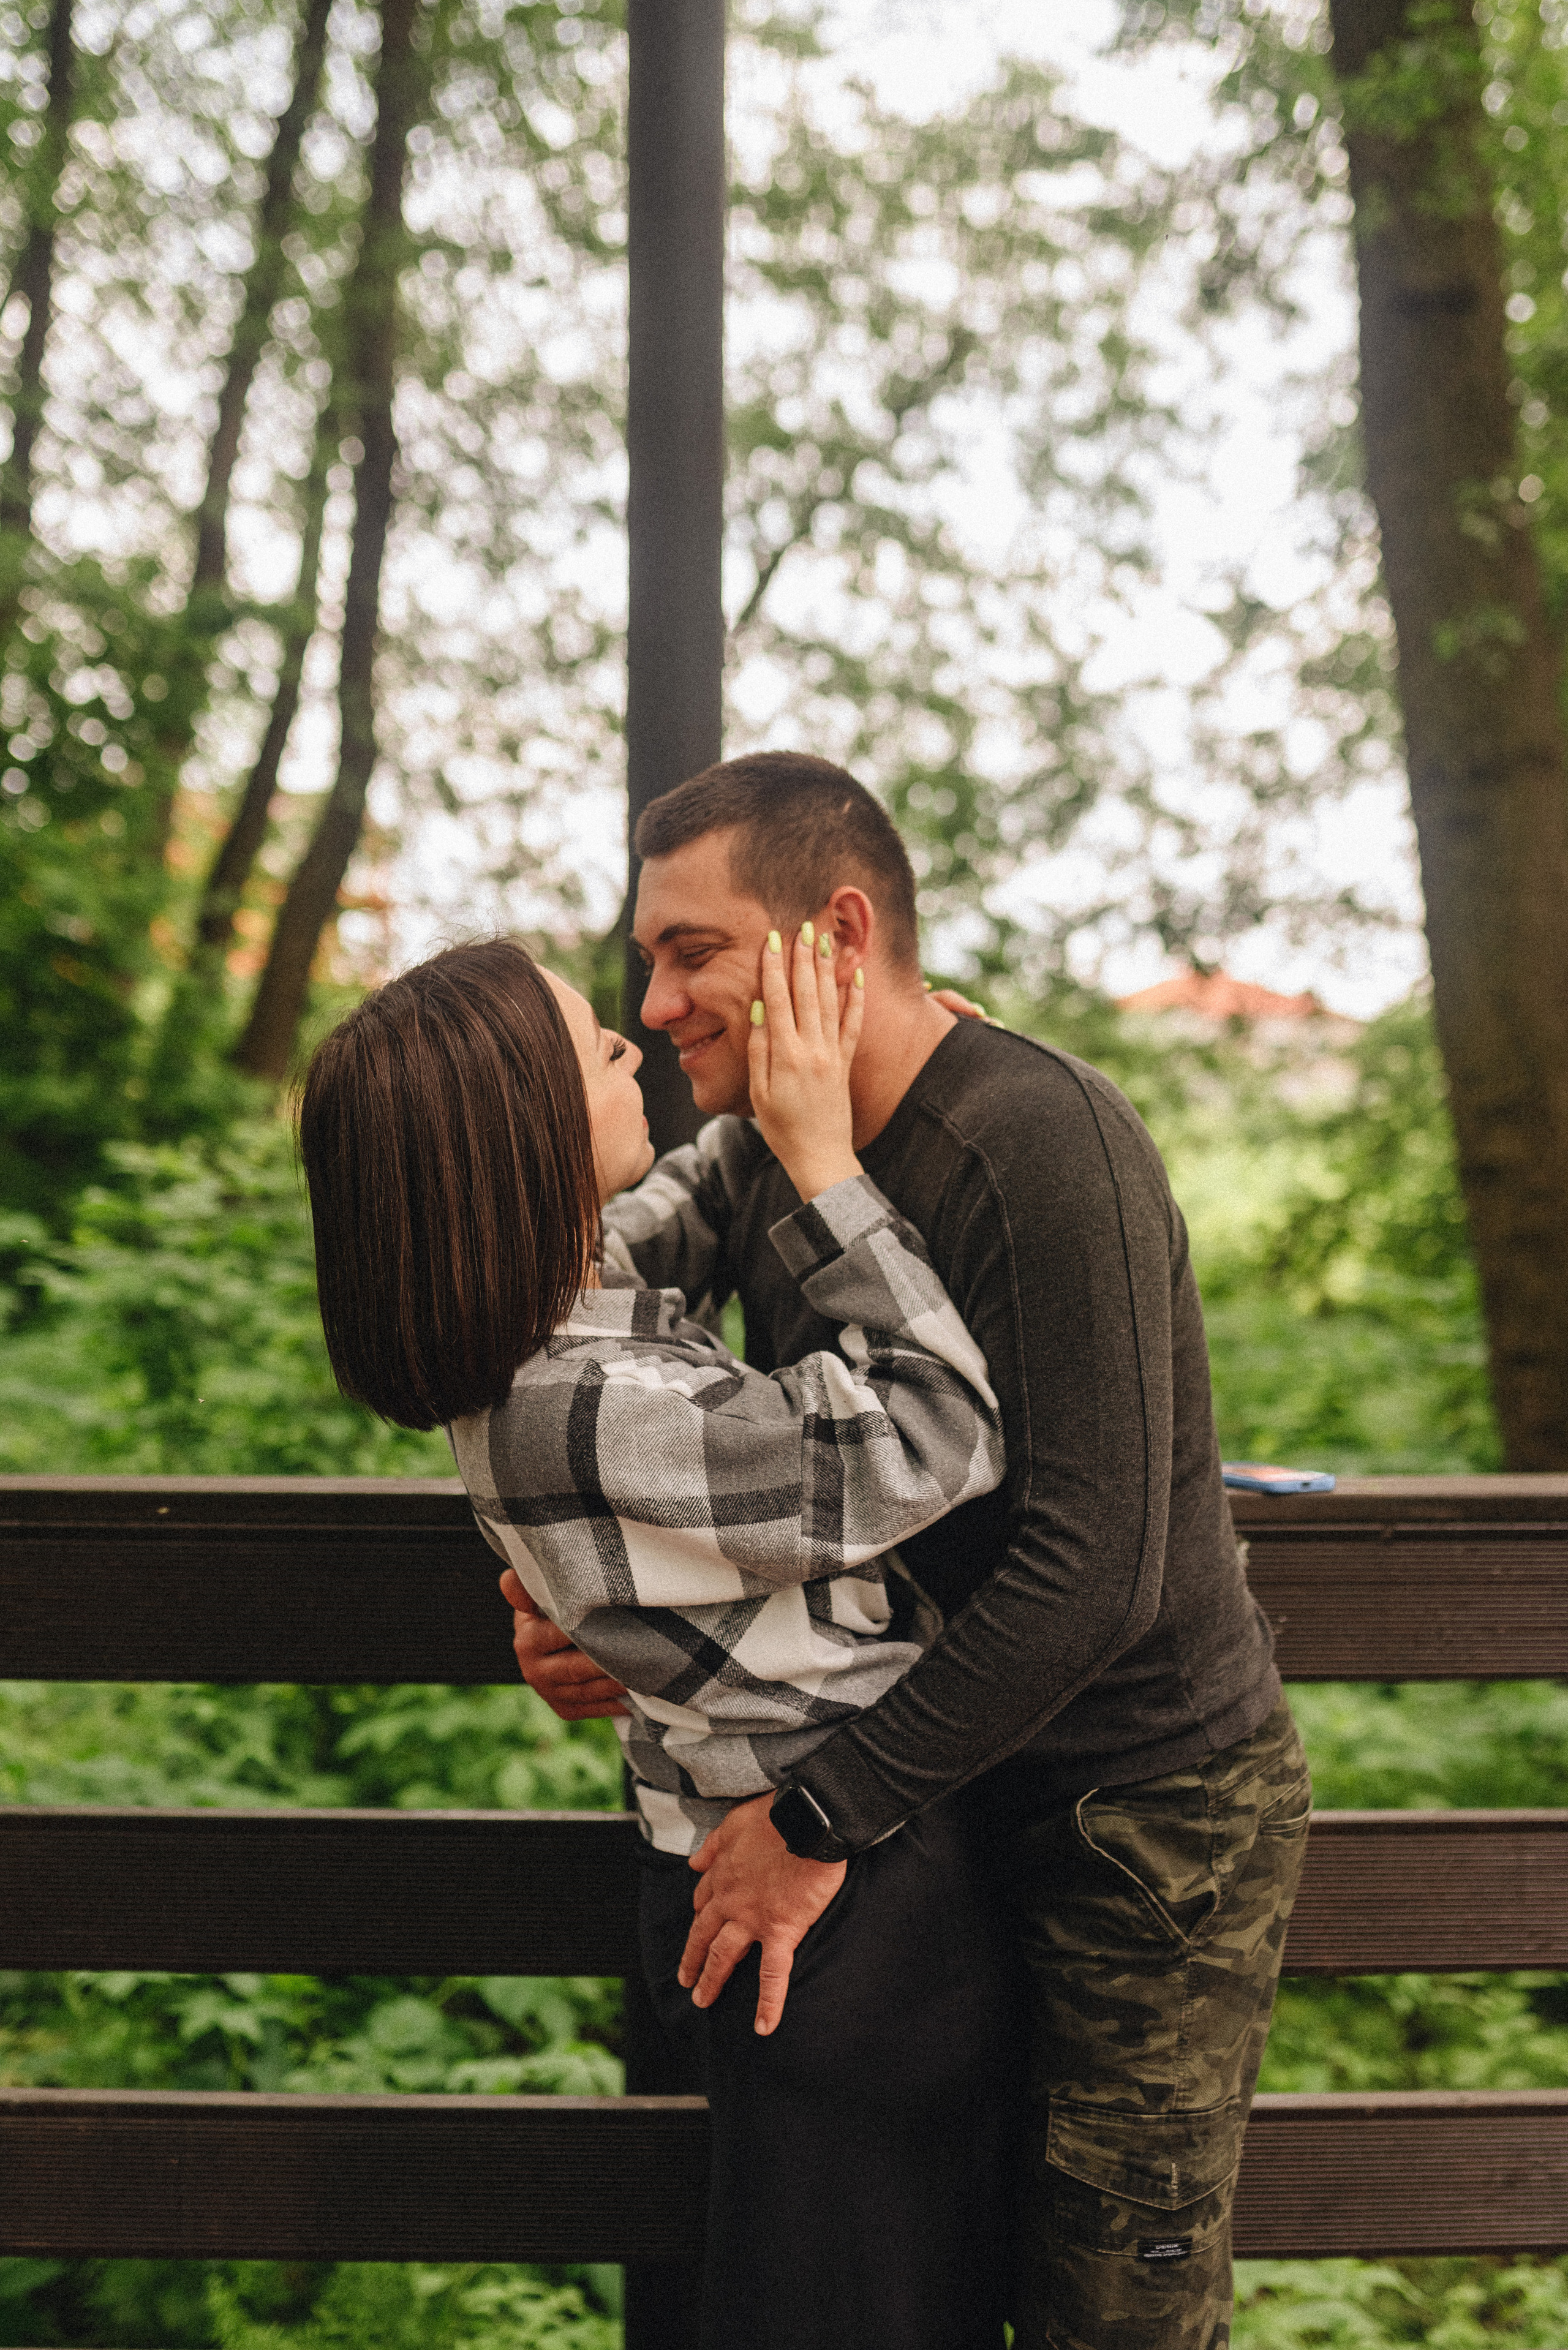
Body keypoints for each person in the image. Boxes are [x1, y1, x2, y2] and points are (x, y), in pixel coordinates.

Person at [510, 750, 1313, 2350]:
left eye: (691, 949)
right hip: (932, 1816)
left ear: (840, 930)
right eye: (644, 958)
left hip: (1129, 1820)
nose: (656, 1002)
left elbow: (1102, 1574)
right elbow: (557, 1297)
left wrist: (816, 1818)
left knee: (1105, 2304)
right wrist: (573, 1582)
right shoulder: (750, 1157)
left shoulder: (1039, 1141)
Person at [296, 932, 1022, 2350]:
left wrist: (791, 1082)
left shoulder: (540, 1314)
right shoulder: (583, 1400)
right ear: (521, 1140)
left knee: (812, 2283)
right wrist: (827, 1163)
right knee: (855, 2308)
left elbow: (676, 1206)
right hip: (838, 1894)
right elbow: (943, 1430)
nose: (635, 1046)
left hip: (772, 1874)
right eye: (596, 1049)